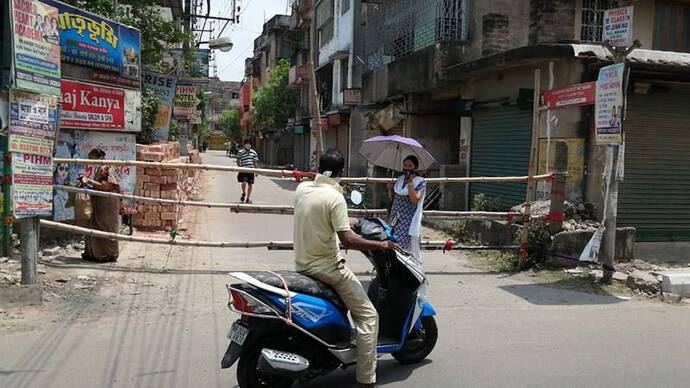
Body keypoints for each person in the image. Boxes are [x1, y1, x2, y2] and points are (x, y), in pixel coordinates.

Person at [294, 149, 398, 388]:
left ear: (319, 168)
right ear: (340, 172)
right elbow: (348, 240)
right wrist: (381, 244)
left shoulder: (303, 190)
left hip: (302, 263)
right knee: (368, 316)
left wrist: (349, 221)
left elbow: (319, 215)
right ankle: (366, 379)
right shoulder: (335, 197)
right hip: (327, 267)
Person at [78, 149, 121, 262]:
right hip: (100, 202)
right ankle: (95, 253)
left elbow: (105, 186)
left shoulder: (105, 168)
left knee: (106, 228)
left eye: (92, 159)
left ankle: (108, 254)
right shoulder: (99, 168)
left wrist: (89, 181)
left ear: (99, 158)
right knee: (95, 226)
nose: (91, 162)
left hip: (107, 204)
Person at [388, 155, 426, 264]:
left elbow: (415, 200)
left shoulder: (420, 181)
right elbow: (393, 199)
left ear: (415, 167)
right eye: (405, 165)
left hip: (407, 220)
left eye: (410, 166)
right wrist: (390, 189)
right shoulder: (399, 180)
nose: (407, 168)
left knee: (401, 247)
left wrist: (410, 183)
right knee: (391, 244)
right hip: (394, 219)